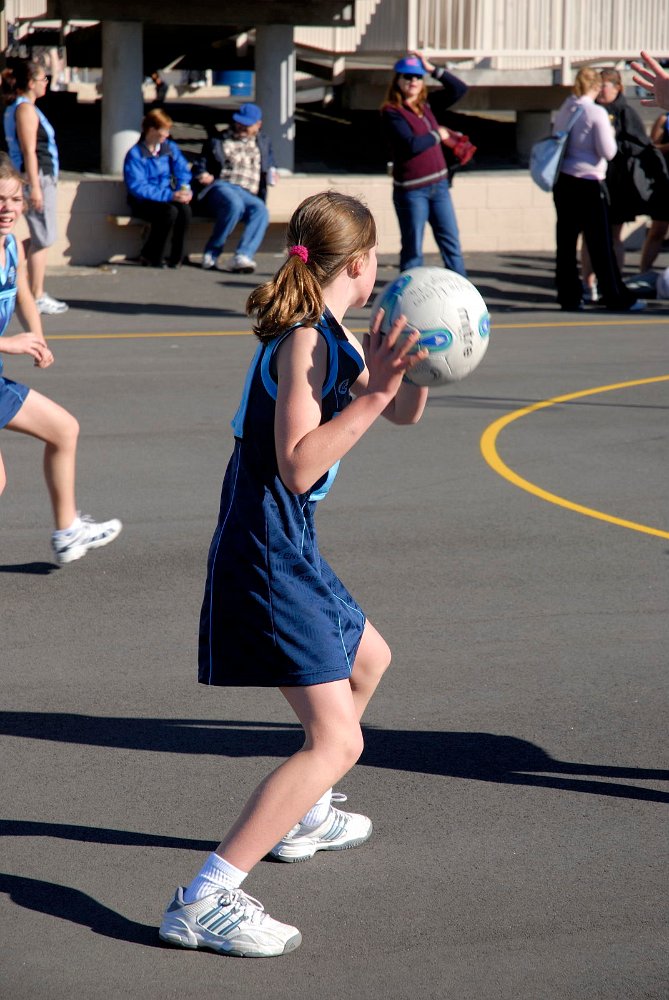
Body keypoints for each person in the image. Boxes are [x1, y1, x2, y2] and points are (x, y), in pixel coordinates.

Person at [158, 191, 429, 958]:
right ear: (361, 263)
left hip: (288, 539)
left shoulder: (334, 332)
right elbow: (299, 465)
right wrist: (375, 394)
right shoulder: (304, 341)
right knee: (337, 741)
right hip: (265, 543)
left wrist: (417, 370)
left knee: (368, 658)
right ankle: (204, 899)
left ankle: (303, 814)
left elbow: (399, 413)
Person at [0, 153, 121, 564]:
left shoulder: (11, 246)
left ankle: (68, 532)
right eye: (0, 199)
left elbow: (21, 292)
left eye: (15, 199)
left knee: (63, 429)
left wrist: (36, 336)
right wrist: (9, 344)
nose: (8, 208)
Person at [552, 67, 643, 312]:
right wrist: (610, 133)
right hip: (588, 182)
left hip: (564, 181)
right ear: (596, 86)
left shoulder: (567, 107)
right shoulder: (595, 112)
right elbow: (608, 151)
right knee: (600, 244)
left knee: (566, 242)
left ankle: (568, 296)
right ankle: (613, 295)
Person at [581, 68, 669, 302]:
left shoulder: (625, 113)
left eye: (604, 86)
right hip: (593, 181)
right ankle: (588, 283)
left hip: (617, 185)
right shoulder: (588, 109)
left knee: (613, 235)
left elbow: (641, 147)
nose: (599, 91)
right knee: (590, 235)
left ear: (617, 87)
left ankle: (614, 282)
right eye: (597, 86)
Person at [381, 51, 472, 275]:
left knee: (452, 246)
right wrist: (437, 134)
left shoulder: (427, 105)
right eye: (407, 76)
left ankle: (462, 292)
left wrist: (432, 69)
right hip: (412, 191)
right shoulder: (392, 112)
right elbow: (411, 144)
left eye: (418, 76)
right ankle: (408, 296)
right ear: (398, 80)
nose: (413, 81)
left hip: (439, 187)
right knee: (413, 251)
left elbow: (459, 89)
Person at [1, 59, 68, 315]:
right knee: (44, 237)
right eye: (43, 79)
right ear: (30, 83)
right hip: (36, 177)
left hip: (39, 176)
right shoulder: (25, 109)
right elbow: (29, 150)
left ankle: (29, 284)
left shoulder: (23, 108)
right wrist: (35, 187)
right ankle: (36, 294)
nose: (46, 83)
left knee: (43, 235)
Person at [191, 103, 275, 273]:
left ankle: (243, 256)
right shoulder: (218, 140)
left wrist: (273, 172)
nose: (241, 127)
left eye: (246, 124)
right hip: (222, 186)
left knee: (261, 210)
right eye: (239, 123)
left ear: (258, 124)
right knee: (234, 204)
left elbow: (270, 163)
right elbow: (200, 165)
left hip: (249, 191)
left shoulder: (263, 142)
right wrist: (202, 174)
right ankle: (211, 253)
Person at [123, 108, 192, 269]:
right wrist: (169, 195)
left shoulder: (169, 148)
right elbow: (138, 186)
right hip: (142, 201)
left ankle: (177, 257)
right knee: (168, 212)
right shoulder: (135, 154)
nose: (167, 134)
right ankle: (153, 255)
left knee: (185, 210)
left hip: (167, 195)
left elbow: (182, 171)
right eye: (164, 130)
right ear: (152, 130)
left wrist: (184, 190)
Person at [639, 110, 669, 272]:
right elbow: (652, 147)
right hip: (665, 182)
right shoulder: (665, 119)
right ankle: (644, 271)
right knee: (658, 229)